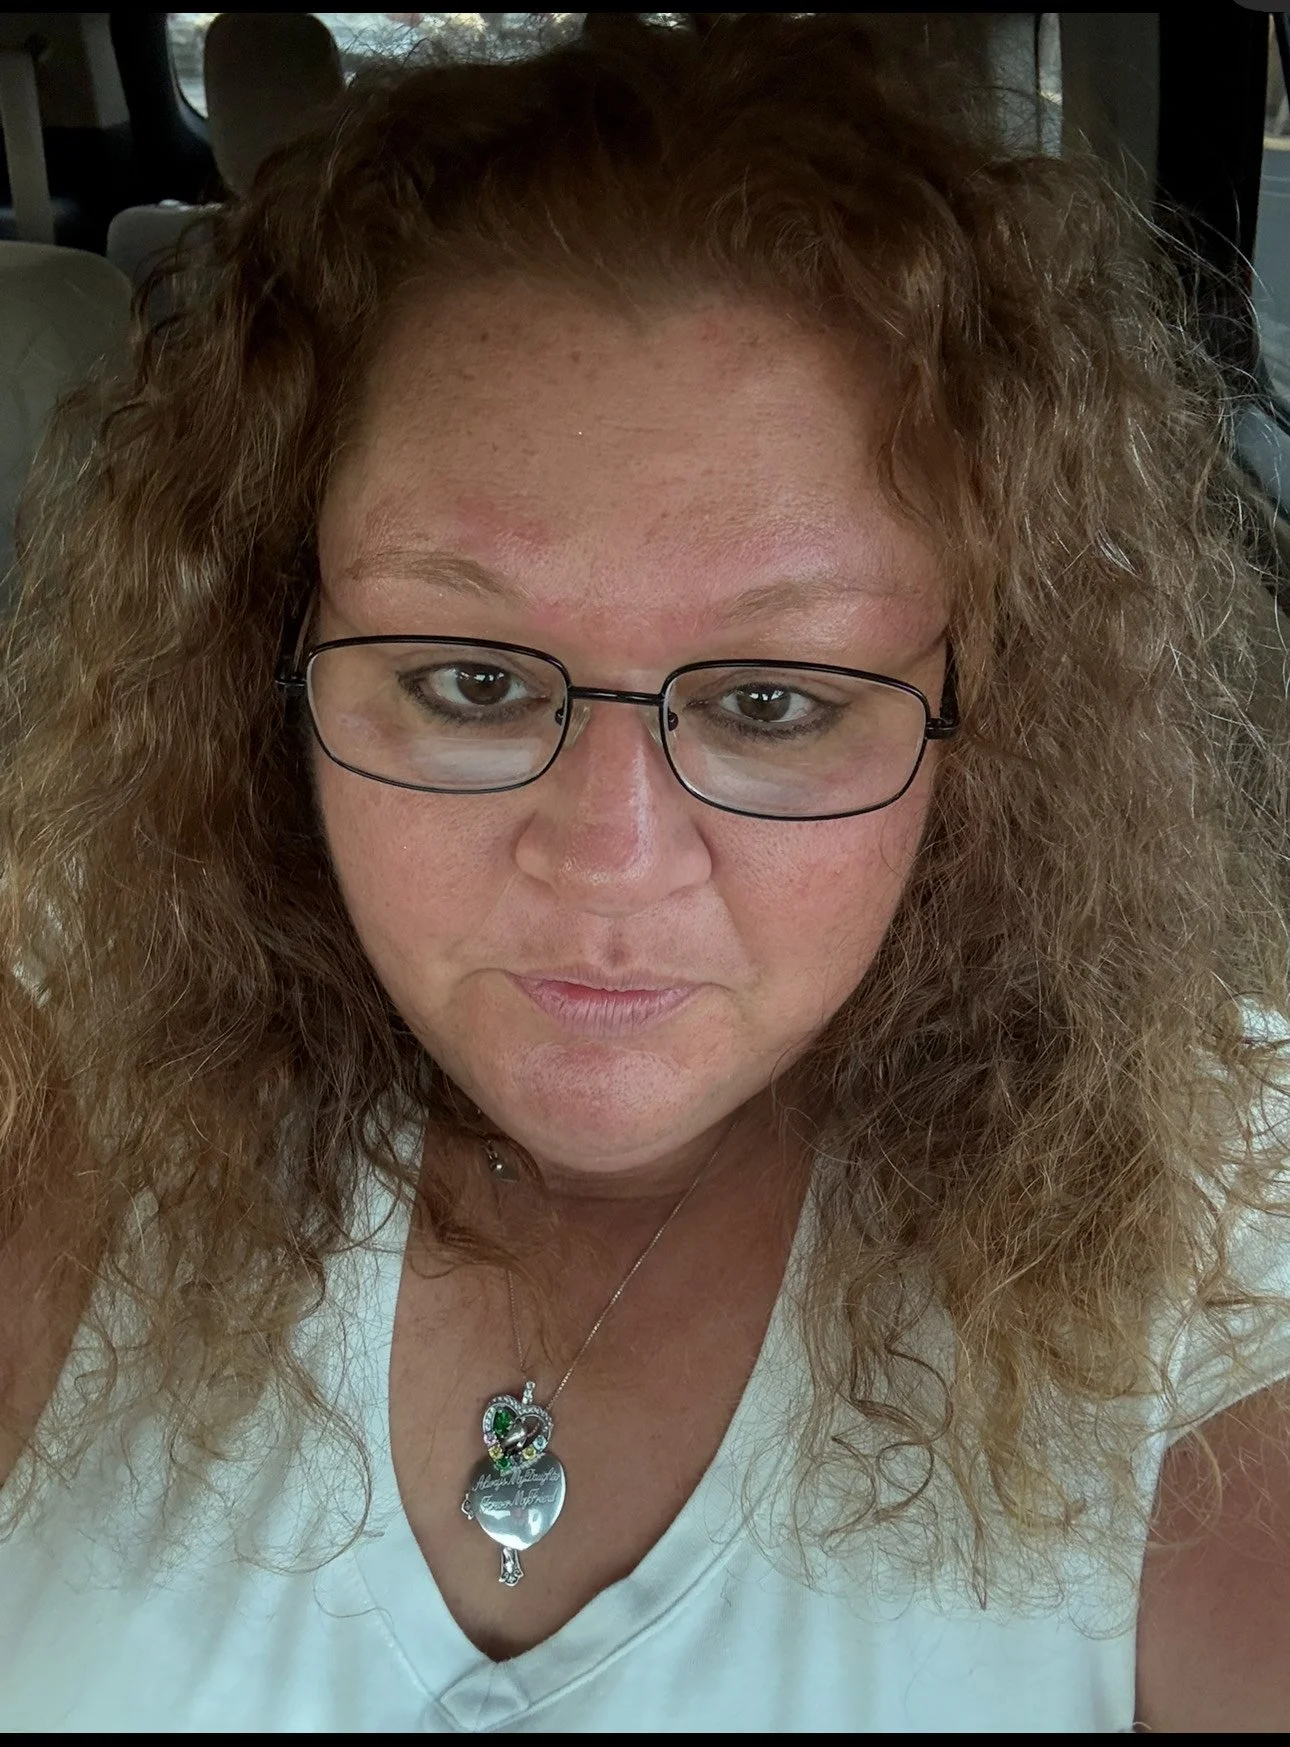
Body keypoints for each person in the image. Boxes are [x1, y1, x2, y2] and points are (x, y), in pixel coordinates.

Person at [2, 12, 1289, 1732]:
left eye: (772, 704)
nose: (604, 862)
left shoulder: (1211, 1249)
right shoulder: (61, 1112)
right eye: (466, 680)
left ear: (987, 725)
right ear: (268, 667)